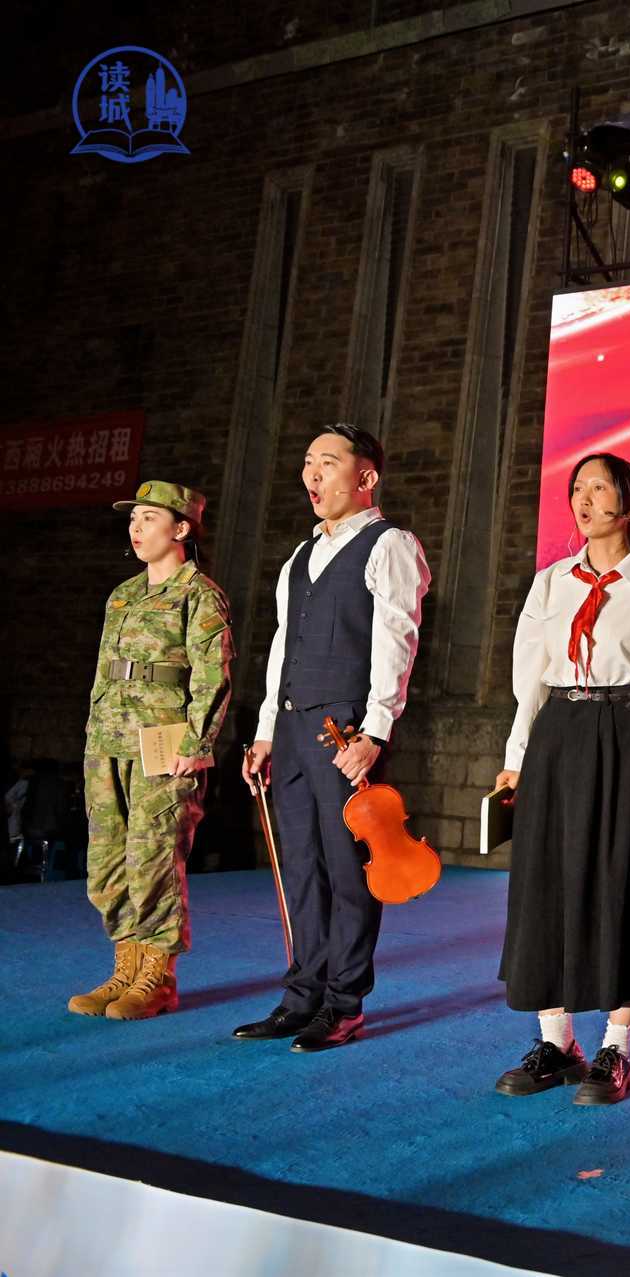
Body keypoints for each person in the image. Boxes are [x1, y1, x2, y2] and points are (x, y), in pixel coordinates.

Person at [491, 453, 630, 1106]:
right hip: (557, 732)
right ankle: (556, 1043)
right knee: (544, 883)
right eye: (576, 488)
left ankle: (615, 1046)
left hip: (625, 731)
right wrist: (517, 756)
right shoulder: (551, 583)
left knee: (621, 881)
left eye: (599, 488)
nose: (583, 500)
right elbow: (529, 680)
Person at [235, 423, 430, 1052]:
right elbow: (281, 646)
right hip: (293, 729)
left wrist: (376, 730)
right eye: (307, 462)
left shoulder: (389, 543)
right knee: (300, 868)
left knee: (347, 868)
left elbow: (397, 639)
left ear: (365, 476)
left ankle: (343, 1003)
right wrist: (266, 730)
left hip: (343, 729)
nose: (312, 474)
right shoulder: (299, 555)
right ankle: (301, 997)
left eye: (327, 461)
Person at [68, 481, 232, 1020]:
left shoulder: (199, 594)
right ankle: (125, 970)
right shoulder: (123, 594)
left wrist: (196, 744)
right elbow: (103, 672)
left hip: (163, 748)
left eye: (148, 519)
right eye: (133, 519)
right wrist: (93, 736)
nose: (136, 529)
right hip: (109, 743)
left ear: (181, 528)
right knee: (107, 861)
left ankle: (156, 979)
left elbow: (212, 677)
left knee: (154, 860)